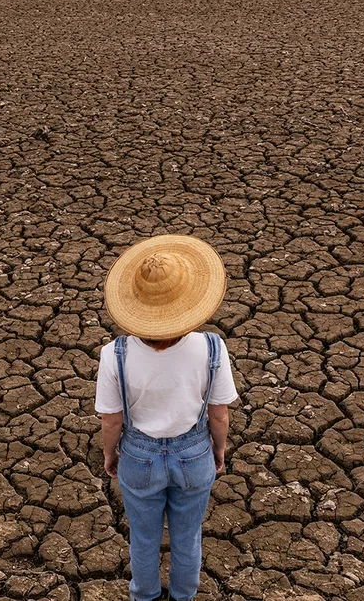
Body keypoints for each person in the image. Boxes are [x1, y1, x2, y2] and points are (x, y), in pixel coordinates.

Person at [95, 234, 237, 601]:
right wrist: (217, 451)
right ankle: (182, 597)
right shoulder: (212, 347)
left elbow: (111, 421)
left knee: (143, 538)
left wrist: (111, 456)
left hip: (139, 457)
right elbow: (218, 414)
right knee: (187, 537)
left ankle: (144, 596)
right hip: (194, 454)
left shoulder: (115, 353)